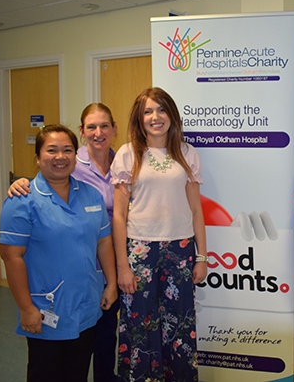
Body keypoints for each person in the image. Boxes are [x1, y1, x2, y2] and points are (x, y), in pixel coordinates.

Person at [8, 104, 122, 382]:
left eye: (66, 151)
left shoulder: (93, 193)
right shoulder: (22, 201)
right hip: (47, 306)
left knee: (80, 368)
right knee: (45, 371)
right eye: (51, 150)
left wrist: (111, 282)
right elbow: (12, 258)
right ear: (37, 157)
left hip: (88, 300)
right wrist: (26, 309)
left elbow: (103, 241)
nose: (60, 157)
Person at [111, 87, 207, 381]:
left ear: (172, 115)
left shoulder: (187, 153)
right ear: (139, 119)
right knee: (139, 323)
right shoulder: (128, 154)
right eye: (148, 112)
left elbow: (196, 211)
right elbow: (118, 215)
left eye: (161, 110)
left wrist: (201, 256)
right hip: (140, 249)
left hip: (180, 249)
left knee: (178, 324)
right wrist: (122, 266)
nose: (155, 117)